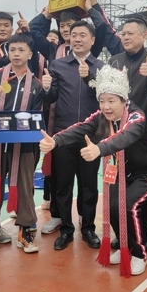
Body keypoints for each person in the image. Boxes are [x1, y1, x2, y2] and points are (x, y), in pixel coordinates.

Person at [40, 66, 147, 276]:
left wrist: (99, 149)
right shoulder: (102, 116)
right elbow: (81, 127)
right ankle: (124, 246)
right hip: (121, 171)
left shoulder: (136, 116)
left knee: (127, 206)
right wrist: (56, 141)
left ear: (124, 100)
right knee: (113, 207)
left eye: (111, 101)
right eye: (102, 100)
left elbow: (125, 137)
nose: (106, 106)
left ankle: (138, 253)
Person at [0, 34, 42, 258]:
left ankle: (25, 231)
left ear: (30, 54)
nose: (16, 54)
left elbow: (36, 117)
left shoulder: (36, 85)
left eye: (21, 50)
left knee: (25, 188)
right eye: (12, 49)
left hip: (23, 146)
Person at [41, 21, 103, 250]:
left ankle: (88, 229)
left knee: (89, 185)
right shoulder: (58, 65)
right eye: (74, 35)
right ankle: (66, 229)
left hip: (90, 136)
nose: (77, 39)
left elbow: (106, 98)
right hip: (63, 134)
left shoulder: (101, 67)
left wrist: (90, 78)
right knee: (63, 185)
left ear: (92, 40)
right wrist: (46, 87)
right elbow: (51, 98)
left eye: (83, 35)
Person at [107, 17, 147, 251]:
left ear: (144, 36)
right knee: (119, 182)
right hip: (117, 134)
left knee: (144, 189)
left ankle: (145, 229)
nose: (126, 37)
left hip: (146, 135)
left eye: (131, 33)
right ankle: (123, 230)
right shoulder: (114, 61)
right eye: (123, 33)